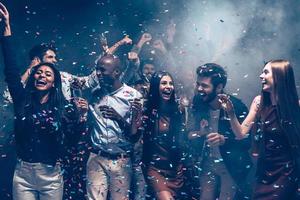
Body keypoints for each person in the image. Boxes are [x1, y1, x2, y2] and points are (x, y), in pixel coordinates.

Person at [0, 3, 88, 200]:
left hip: (51, 175)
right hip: (23, 174)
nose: (42, 75)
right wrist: (6, 30)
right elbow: (11, 71)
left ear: (54, 82)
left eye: (48, 74)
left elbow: (73, 142)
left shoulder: (63, 107)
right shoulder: (23, 100)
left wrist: (81, 118)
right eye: (39, 72)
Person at [220, 60, 300, 199]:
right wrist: (231, 113)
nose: (260, 76)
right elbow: (240, 134)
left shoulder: (295, 106)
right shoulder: (259, 102)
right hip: (264, 171)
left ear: (279, 76)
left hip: (286, 173)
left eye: (266, 72)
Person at [187, 63, 252, 200]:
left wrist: (224, 140)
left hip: (230, 166)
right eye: (198, 84)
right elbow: (190, 132)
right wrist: (199, 134)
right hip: (207, 164)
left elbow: (247, 142)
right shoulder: (198, 102)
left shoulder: (236, 106)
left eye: (204, 86)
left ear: (219, 87)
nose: (199, 89)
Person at [86, 54, 143, 200]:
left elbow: (134, 136)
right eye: (97, 69)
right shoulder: (94, 93)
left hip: (121, 160)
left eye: (102, 70)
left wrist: (118, 118)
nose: (98, 73)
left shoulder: (133, 96)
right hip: (97, 157)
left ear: (116, 72)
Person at [143, 71, 187, 200]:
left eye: (171, 83)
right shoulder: (148, 110)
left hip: (175, 169)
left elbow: (183, 140)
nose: (168, 86)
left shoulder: (178, 110)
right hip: (155, 169)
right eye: (163, 83)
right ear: (156, 86)